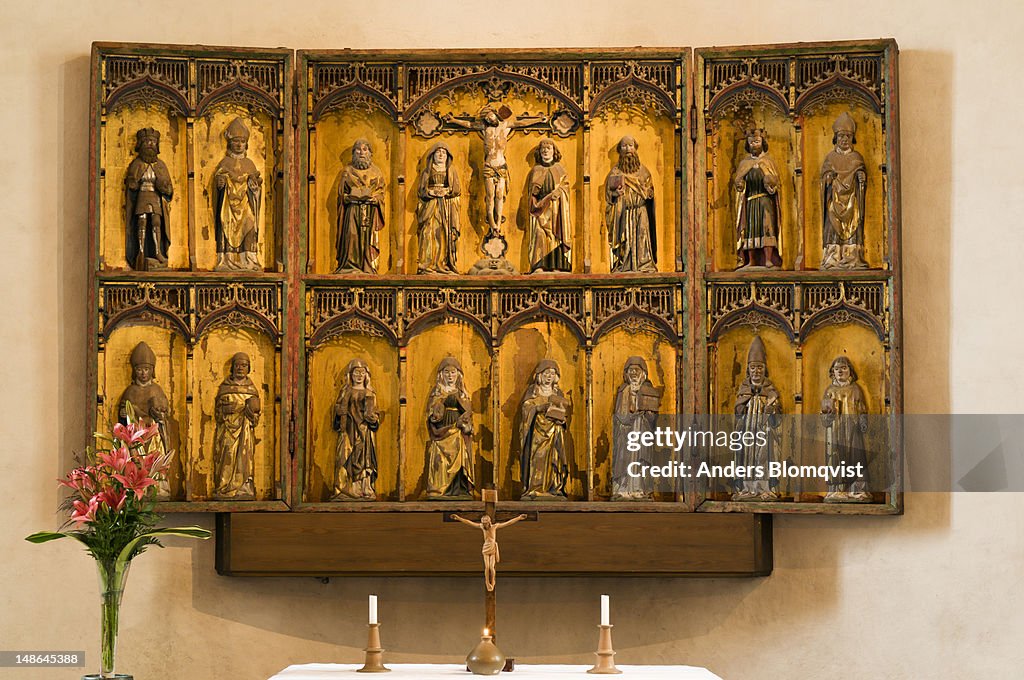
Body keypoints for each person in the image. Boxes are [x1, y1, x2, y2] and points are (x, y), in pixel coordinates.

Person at [444, 104, 545, 236]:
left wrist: (538, 120)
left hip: (501, 166)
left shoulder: (505, 126)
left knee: (499, 195)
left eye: (490, 116)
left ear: (495, 114)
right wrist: (453, 120)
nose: (489, 120)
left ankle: (498, 222)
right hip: (489, 166)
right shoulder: (485, 128)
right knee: (490, 196)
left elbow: (522, 123)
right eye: (486, 118)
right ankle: (492, 222)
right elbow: (468, 124)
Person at [117, 342, 173, 498]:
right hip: (137, 436)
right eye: (139, 369)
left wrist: (158, 415)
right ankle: (138, 489)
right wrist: (125, 413)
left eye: (146, 369)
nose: (143, 373)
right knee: (137, 461)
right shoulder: (130, 391)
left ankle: (158, 488)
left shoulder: (156, 389)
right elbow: (123, 417)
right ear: (134, 371)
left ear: (152, 371)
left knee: (155, 459)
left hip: (153, 435)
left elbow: (164, 415)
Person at [732, 337, 781, 501]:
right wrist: (745, 405)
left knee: (764, 458)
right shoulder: (744, 388)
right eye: (753, 368)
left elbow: (777, 416)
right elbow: (738, 411)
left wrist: (771, 410)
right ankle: (747, 488)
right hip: (747, 431)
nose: (756, 371)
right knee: (747, 458)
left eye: (760, 367)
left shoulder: (770, 390)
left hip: (764, 431)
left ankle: (764, 488)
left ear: (764, 369)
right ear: (748, 370)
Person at [214, 117, 263, 271]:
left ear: (246, 143)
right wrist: (221, 182)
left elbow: (256, 186)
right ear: (230, 142)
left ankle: (249, 259)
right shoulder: (224, 163)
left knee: (249, 224)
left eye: (242, 141)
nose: (239, 144)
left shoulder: (249, 164)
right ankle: (228, 260)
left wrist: (254, 184)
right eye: (236, 141)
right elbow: (218, 183)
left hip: (246, 203)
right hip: (228, 206)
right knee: (226, 226)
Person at [820, 356, 872, 502]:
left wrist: (862, 421)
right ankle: (837, 490)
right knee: (836, 458)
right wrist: (827, 415)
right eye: (837, 369)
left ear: (850, 371)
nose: (840, 372)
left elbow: (862, 409)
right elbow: (823, 413)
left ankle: (858, 490)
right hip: (835, 431)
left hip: (853, 429)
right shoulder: (830, 390)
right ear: (832, 372)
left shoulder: (856, 389)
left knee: (856, 458)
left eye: (844, 368)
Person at [821, 112, 868, 269]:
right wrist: (828, 178)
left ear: (852, 138)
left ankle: (851, 258)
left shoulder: (857, 157)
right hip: (834, 201)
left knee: (854, 224)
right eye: (841, 136)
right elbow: (824, 177)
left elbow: (861, 172)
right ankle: (832, 258)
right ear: (835, 138)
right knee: (832, 226)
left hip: (852, 202)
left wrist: (861, 177)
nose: (844, 140)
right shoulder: (830, 158)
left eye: (848, 136)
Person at [424, 358, 475, 499]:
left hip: (458, 428)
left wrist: (465, 422)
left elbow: (468, 411)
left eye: (453, 372)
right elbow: (431, 411)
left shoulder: (463, 393)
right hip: (442, 430)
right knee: (440, 459)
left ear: (458, 375)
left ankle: (459, 489)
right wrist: (437, 410)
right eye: (446, 372)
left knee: (460, 457)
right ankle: (440, 490)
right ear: (441, 375)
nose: (450, 376)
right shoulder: (437, 392)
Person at [611, 356, 661, 500]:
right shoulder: (623, 391)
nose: (634, 373)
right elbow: (619, 415)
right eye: (631, 370)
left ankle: (640, 489)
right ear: (626, 374)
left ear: (643, 373)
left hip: (642, 429)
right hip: (626, 431)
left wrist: (648, 413)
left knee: (641, 460)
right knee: (624, 459)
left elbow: (653, 419)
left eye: (637, 370)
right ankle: (623, 488)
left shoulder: (647, 390)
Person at [605, 136, 657, 273]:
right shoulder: (615, 172)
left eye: (630, 145)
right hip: (624, 213)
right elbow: (608, 197)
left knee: (642, 239)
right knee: (625, 240)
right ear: (619, 150)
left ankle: (644, 265)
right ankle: (625, 265)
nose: (628, 149)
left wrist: (648, 193)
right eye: (624, 146)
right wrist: (616, 194)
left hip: (640, 211)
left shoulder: (644, 172)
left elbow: (650, 193)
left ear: (635, 148)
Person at [519, 360, 571, 499]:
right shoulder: (533, 392)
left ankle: (554, 487)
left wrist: (561, 418)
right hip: (537, 432)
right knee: (537, 459)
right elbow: (526, 410)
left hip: (555, 430)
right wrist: (538, 408)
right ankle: (535, 488)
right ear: (539, 375)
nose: (549, 376)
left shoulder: (557, 392)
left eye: (552, 373)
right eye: (546, 373)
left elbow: (563, 411)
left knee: (555, 458)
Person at [213, 353, 261, 500]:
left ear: (249, 368)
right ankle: (224, 487)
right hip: (227, 430)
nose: (240, 368)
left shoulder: (252, 389)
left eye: (244, 365)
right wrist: (225, 411)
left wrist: (251, 413)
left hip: (245, 431)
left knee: (245, 458)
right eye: (238, 365)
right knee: (227, 455)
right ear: (232, 367)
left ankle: (244, 487)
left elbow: (256, 415)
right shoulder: (225, 388)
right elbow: (218, 412)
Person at [331, 358, 381, 501]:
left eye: (362, 372)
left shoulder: (370, 393)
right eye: (356, 372)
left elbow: (374, 412)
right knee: (344, 457)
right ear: (350, 375)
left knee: (365, 460)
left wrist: (373, 418)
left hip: (364, 432)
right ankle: (343, 489)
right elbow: (339, 411)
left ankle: (364, 489)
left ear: (367, 375)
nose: (359, 376)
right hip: (348, 430)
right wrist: (339, 413)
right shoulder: (345, 391)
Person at [124, 127, 172, 270]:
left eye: (153, 141)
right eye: (146, 141)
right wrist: (133, 183)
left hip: (155, 195)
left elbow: (169, 187)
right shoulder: (136, 164)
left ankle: (158, 252)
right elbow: (131, 183)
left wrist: (163, 186)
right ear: (140, 144)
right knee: (142, 221)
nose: (150, 144)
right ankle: (141, 250)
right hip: (142, 195)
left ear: (157, 145)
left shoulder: (161, 165)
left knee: (156, 221)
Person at [733, 127, 782, 269]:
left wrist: (770, 181)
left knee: (767, 228)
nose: (754, 145)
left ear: (763, 143)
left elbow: (776, 183)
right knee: (750, 229)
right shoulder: (744, 163)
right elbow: (739, 183)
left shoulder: (768, 161)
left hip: (765, 201)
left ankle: (768, 259)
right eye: (751, 142)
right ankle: (751, 260)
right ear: (748, 145)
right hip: (750, 201)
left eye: (757, 142)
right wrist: (739, 183)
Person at [336, 139, 386, 273]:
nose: (361, 153)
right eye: (358, 150)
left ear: (370, 153)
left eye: (365, 149)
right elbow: (341, 195)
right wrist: (348, 198)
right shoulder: (347, 171)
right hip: (352, 211)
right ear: (353, 154)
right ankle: (350, 265)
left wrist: (375, 199)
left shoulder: (376, 172)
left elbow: (381, 193)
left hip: (370, 211)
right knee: (351, 236)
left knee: (368, 239)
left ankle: (367, 266)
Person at [450, 513, 528, 591]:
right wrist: (459, 518)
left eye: (486, 522)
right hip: (486, 547)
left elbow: (508, 523)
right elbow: (469, 522)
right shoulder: (482, 527)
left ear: (489, 521)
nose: (485, 524)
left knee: (491, 567)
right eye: (483, 522)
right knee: (487, 567)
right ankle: (487, 582)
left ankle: (493, 581)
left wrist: (518, 518)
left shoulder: (494, 527)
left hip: (493, 547)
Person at [415, 142, 461, 274]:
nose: (441, 154)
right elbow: (421, 190)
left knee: (443, 233)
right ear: (432, 155)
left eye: (444, 152)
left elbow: (457, 189)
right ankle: (427, 264)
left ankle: (441, 263)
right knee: (428, 233)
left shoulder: (451, 171)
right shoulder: (427, 171)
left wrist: (446, 191)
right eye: (438, 152)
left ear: (448, 156)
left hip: (445, 207)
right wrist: (431, 192)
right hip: (430, 206)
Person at [526, 139, 572, 273]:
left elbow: (565, 187)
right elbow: (532, 193)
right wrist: (538, 196)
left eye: (549, 148)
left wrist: (559, 192)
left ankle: (557, 266)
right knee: (540, 235)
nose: (546, 151)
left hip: (556, 209)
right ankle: (539, 265)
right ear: (539, 153)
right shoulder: (536, 170)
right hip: (540, 209)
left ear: (554, 151)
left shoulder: (559, 169)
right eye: (543, 149)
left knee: (555, 237)